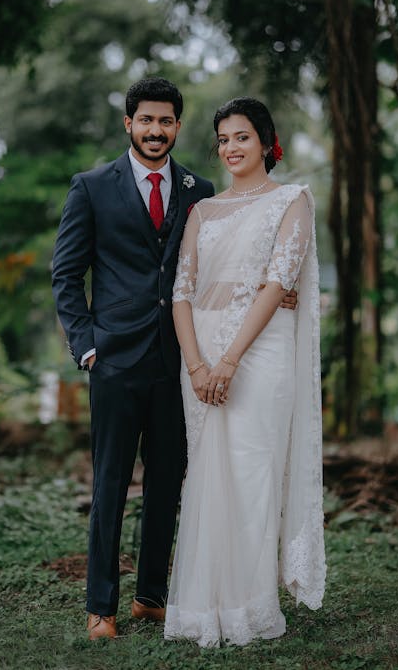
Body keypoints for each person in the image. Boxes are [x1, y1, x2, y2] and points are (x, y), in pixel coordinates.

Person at [52, 77, 299, 640]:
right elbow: (66, 274)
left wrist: (280, 289)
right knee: (111, 483)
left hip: (181, 359)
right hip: (113, 361)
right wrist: (87, 347)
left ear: (177, 127)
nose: (155, 131)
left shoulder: (200, 189)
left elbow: (217, 266)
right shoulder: (91, 187)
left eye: (166, 122)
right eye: (146, 121)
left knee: (167, 483)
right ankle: (100, 607)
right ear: (129, 124)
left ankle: (149, 597)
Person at [164, 97, 326, 647]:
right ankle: (203, 605)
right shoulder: (203, 211)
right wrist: (197, 365)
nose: (231, 149)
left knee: (252, 473)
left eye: (242, 138)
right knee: (208, 476)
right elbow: (181, 291)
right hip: (200, 352)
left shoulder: (292, 201)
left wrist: (230, 360)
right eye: (224, 140)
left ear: (266, 141)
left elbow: (279, 283)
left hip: (261, 349)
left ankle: (250, 607)